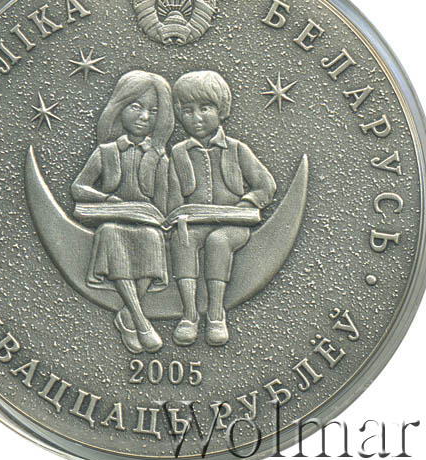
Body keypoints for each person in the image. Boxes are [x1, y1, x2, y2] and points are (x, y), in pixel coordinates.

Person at [169, 70, 276, 346]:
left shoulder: (237, 149)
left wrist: (246, 204)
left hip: (233, 226)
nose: (196, 117)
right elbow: (172, 194)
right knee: (182, 240)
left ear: (222, 110)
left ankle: (216, 314)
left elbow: (265, 186)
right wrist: (176, 213)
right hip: (194, 224)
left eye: (205, 108)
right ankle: (189, 314)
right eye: (188, 111)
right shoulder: (178, 153)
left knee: (218, 241)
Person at [71, 71, 173, 354]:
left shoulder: (159, 157)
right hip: (113, 220)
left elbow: (163, 201)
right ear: (119, 108)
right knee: (111, 233)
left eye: (153, 111)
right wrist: (106, 199)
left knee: (151, 236)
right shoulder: (106, 152)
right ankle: (139, 321)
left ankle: (128, 316)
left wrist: (161, 216)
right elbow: (79, 187)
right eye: (136, 107)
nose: (144, 117)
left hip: (146, 223)